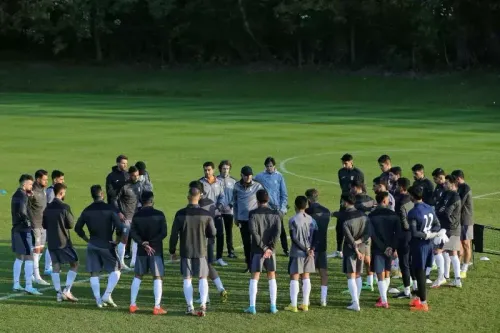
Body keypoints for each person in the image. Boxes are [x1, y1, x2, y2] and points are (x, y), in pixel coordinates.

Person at [169, 186, 216, 317]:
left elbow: (174, 235)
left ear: (188, 196)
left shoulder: (180, 214)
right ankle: (203, 305)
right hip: (201, 250)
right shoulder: (206, 214)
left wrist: (172, 250)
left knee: (187, 279)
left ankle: (190, 306)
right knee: (202, 278)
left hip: (186, 250)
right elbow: (213, 232)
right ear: (199, 196)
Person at [74, 185, 124, 308]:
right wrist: (117, 241)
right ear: (102, 194)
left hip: (92, 244)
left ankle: (98, 300)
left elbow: (77, 228)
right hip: (106, 244)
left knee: (94, 273)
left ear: (92, 195)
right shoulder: (110, 209)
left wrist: (87, 239)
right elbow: (120, 228)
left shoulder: (87, 210)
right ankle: (107, 294)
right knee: (117, 269)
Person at [129, 191, 168, 315]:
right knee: (157, 277)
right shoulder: (160, 215)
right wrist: (151, 243)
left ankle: (132, 304)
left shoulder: (136, 216)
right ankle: (157, 307)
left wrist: (143, 243)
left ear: (141, 200)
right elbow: (163, 233)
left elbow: (133, 233)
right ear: (152, 200)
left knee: (138, 276)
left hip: (141, 250)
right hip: (155, 250)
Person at [189, 181, 228, 304]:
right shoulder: (211, 203)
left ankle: (205, 297)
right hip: (210, 239)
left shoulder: (196, 206)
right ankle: (220, 288)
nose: (190, 194)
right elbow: (215, 220)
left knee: (201, 269)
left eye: (192, 191)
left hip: (199, 240)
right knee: (207, 265)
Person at [244, 189, 281, 315]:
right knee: (271, 276)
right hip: (271, 251)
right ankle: (273, 306)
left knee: (255, 277)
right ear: (268, 199)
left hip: (257, 250)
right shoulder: (275, 214)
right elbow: (277, 233)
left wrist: (263, 247)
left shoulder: (253, 214)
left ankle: (252, 306)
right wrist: (270, 248)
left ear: (257, 200)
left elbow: (254, 233)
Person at [43, 183, 79, 302]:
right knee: (74, 263)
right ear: (61, 193)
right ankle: (67, 290)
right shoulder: (65, 207)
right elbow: (71, 224)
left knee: (55, 266)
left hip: (52, 241)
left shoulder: (47, 208)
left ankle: (59, 293)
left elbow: (44, 225)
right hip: (63, 242)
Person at [407, 186, 441, 312]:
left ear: (412, 196)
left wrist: (426, 234)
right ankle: (417, 296)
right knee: (420, 272)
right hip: (429, 244)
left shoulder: (413, 213)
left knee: (419, 273)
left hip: (419, 245)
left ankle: (423, 303)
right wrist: (431, 234)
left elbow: (414, 233)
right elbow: (437, 225)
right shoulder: (429, 208)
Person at [284, 196, 317, 313]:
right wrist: (311, 249)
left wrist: (304, 249)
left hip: (297, 252)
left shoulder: (292, 220)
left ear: (295, 206)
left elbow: (294, 238)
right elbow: (315, 237)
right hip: (309, 253)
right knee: (306, 276)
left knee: (294, 277)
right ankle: (305, 304)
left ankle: (293, 305)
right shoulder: (312, 220)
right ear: (306, 206)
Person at [11, 174, 42, 295]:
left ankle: (16, 283)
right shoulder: (23, 196)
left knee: (19, 257)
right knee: (29, 256)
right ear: (24, 185)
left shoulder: (16, 194)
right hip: (23, 230)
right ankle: (29, 285)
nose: (32, 186)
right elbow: (22, 212)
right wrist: (28, 223)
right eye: (30, 184)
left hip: (16, 229)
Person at [368, 191, 400, 308]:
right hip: (391, 248)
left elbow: (372, 235)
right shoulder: (393, 215)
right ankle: (383, 296)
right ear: (385, 201)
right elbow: (398, 233)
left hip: (378, 248)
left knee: (379, 274)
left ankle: (384, 300)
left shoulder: (371, 216)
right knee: (387, 273)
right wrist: (393, 247)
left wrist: (383, 248)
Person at [255, 157, 289, 256]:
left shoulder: (279, 177)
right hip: (266, 208)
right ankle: (265, 248)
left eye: (271, 166)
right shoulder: (260, 176)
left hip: (277, 209)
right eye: (267, 166)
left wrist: (282, 208)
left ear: (274, 166)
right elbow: (253, 183)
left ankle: (286, 249)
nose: (269, 168)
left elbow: (284, 194)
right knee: (265, 229)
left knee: (280, 229)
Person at [340, 193, 369, 312]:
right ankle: (356, 299)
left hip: (351, 250)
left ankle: (355, 302)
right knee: (358, 274)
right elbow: (368, 234)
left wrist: (355, 248)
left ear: (346, 202)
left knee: (350, 275)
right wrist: (359, 243)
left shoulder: (346, 219)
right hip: (362, 248)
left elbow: (349, 238)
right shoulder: (364, 216)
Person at [433, 175, 463, 288]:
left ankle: (441, 277)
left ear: (452, 183)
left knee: (437, 251)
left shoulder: (455, 197)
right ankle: (457, 279)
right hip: (449, 227)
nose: (444, 185)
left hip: (450, 228)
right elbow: (438, 207)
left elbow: (446, 212)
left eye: (446, 183)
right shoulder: (446, 193)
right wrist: (440, 211)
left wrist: (440, 212)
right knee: (452, 253)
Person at [233, 166, 263, 272]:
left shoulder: (257, 186)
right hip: (242, 219)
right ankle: (249, 265)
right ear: (241, 175)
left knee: (257, 241)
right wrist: (235, 217)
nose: (248, 177)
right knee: (246, 242)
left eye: (249, 175)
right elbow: (235, 203)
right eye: (245, 175)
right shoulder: (236, 186)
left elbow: (263, 201)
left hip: (255, 219)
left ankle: (258, 264)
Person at [305, 188, 331, 307]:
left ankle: (307, 299)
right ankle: (323, 300)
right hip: (323, 245)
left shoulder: (307, 212)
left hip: (310, 246)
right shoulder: (326, 211)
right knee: (323, 273)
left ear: (309, 199)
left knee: (306, 273)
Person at [199, 161, 227, 266]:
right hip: (205, 215)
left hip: (216, 213)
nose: (207, 172)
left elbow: (222, 196)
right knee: (208, 236)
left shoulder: (219, 182)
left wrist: (219, 206)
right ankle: (208, 258)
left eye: (209, 170)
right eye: (205, 170)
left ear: (213, 170)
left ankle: (219, 257)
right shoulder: (200, 183)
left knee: (220, 234)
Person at [116, 166, 143, 269]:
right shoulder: (124, 186)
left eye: (137, 175)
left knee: (136, 239)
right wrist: (119, 212)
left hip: (135, 216)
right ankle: (121, 262)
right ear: (129, 175)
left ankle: (133, 261)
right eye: (133, 175)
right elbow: (115, 200)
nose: (135, 177)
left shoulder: (139, 184)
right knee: (124, 239)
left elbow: (139, 199)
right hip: (126, 216)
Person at [393, 177, 415, 299]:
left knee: (404, 263)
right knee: (412, 263)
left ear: (401, 187)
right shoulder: (412, 200)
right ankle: (415, 287)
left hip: (404, 235)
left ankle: (407, 291)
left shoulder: (401, 203)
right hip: (415, 235)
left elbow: (403, 223)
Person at [28, 169, 50, 286]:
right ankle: (37, 276)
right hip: (35, 225)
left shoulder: (43, 191)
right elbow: (26, 207)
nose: (46, 181)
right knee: (36, 249)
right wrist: (30, 222)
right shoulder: (32, 192)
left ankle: (31, 273)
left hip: (43, 225)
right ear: (38, 179)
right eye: (44, 179)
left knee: (40, 249)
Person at [451, 170, 474, 278]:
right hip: (458, 220)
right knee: (458, 244)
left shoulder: (465, 188)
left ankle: (464, 268)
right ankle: (458, 268)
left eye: (454, 179)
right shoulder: (459, 187)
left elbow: (459, 203)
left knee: (466, 244)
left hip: (465, 220)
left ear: (458, 178)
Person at [43, 170, 65, 275]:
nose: (63, 181)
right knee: (51, 244)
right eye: (61, 179)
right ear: (55, 179)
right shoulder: (51, 192)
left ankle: (51, 265)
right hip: (52, 221)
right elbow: (51, 207)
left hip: (53, 220)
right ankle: (48, 267)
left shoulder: (54, 190)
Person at [217, 160, 237, 258]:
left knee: (229, 232)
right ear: (220, 169)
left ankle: (231, 252)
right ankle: (218, 253)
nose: (226, 170)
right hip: (218, 211)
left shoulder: (233, 181)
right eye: (224, 168)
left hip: (229, 210)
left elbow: (235, 195)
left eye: (227, 168)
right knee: (219, 232)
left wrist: (231, 205)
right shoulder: (215, 180)